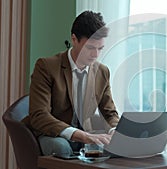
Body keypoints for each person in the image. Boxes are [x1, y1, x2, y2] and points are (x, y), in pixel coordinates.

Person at [22, 11, 119, 156]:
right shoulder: (46, 67)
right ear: (74, 39)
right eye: (90, 48)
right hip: (53, 133)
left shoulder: (102, 72)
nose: (96, 55)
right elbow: (39, 115)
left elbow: (109, 113)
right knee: (62, 148)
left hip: (86, 134)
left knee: (117, 147)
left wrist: (115, 131)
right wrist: (82, 135)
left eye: (100, 49)